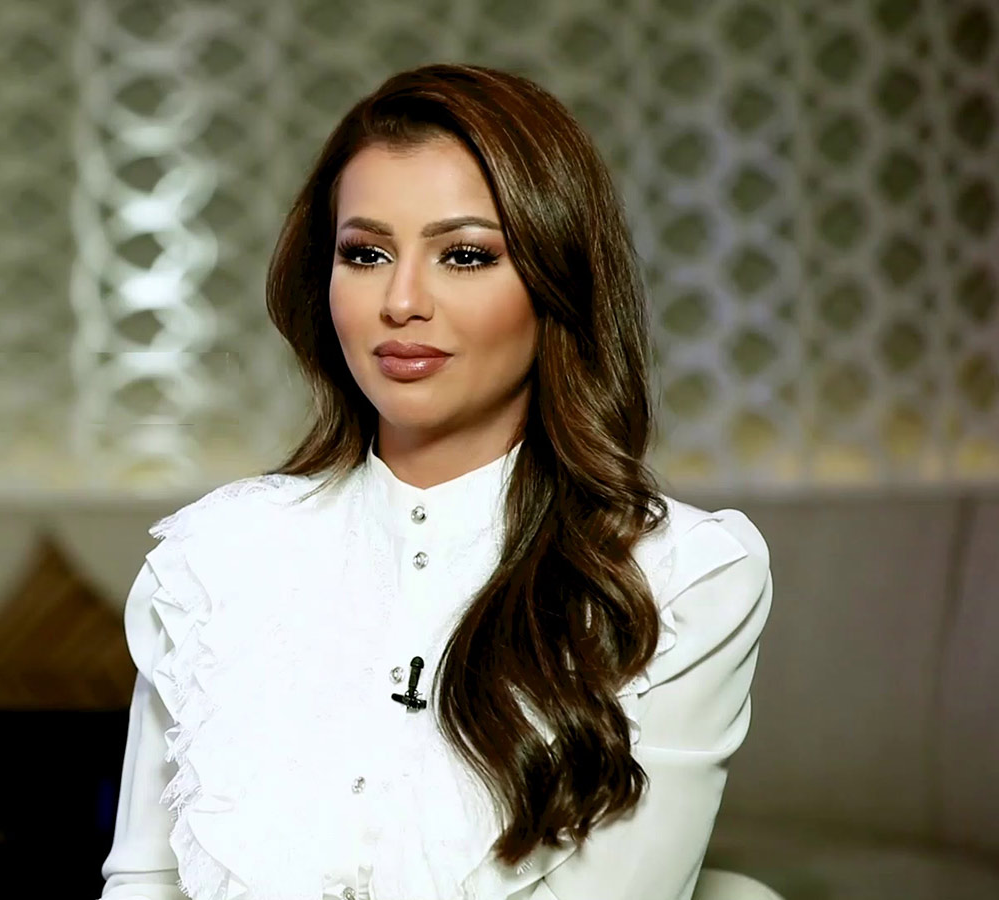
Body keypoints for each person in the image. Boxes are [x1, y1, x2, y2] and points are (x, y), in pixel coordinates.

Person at [98, 63, 774, 900]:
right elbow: (145, 880)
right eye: (366, 253)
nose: (401, 301)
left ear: (555, 280)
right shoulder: (215, 558)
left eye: (463, 255)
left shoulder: (678, 576)